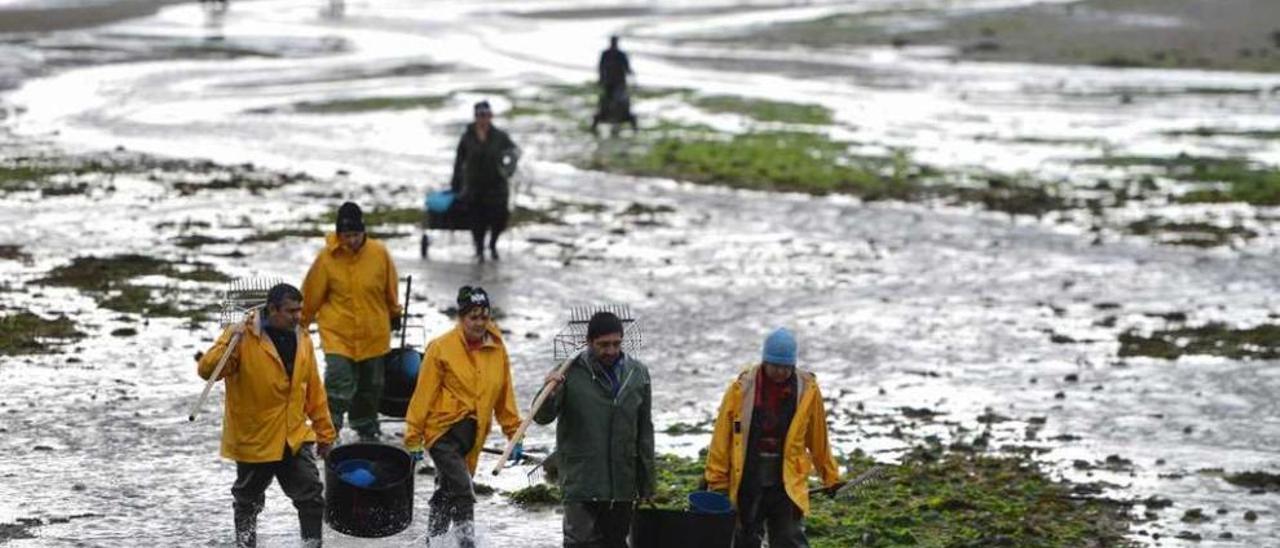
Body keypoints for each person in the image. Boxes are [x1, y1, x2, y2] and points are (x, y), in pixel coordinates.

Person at [197, 283, 336, 548]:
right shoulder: (242, 338)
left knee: (311, 495)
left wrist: (325, 433)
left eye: (299, 310)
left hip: (293, 435)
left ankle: (312, 544)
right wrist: (229, 337)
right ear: (272, 309)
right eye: (291, 311)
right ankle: (245, 545)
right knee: (248, 500)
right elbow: (207, 371)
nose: (298, 316)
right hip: (254, 437)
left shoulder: (303, 337)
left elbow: (314, 390)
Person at [403, 286, 524, 547]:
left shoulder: (497, 349)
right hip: (442, 433)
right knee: (463, 489)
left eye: (485, 317)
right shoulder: (441, 348)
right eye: (474, 317)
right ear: (461, 317)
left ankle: (433, 541)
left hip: (473, 436)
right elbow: (422, 395)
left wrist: (514, 434)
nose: (480, 323)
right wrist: (413, 436)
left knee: (447, 490)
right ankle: (466, 544)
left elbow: (505, 396)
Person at [703, 328, 842, 548]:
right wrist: (717, 482)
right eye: (775, 366)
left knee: (789, 537)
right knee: (744, 538)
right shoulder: (740, 389)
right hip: (748, 477)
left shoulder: (808, 391)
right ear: (764, 362)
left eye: (786, 367)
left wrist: (830, 476)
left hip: (787, 481)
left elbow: (818, 438)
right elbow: (721, 440)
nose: (780, 372)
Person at [533, 311, 654, 548]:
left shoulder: (638, 374)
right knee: (579, 542)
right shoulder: (569, 373)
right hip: (582, 481)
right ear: (589, 343)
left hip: (622, 483)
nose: (610, 351)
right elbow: (541, 416)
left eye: (616, 344)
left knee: (616, 542)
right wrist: (550, 391)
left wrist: (647, 484)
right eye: (603, 345)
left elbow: (644, 432)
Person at [301, 201, 402, 442]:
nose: (352, 240)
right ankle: (329, 428)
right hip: (338, 333)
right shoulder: (326, 259)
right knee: (338, 380)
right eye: (346, 235)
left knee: (372, 385)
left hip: (374, 332)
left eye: (356, 234)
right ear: (339, 234)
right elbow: (311, 295)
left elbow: (390, 289)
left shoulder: (379, 253)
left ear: (363, 231)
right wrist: (300, 323)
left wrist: (395, 313)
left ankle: (365, 426)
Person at [450, 101, 520, 262]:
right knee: (477, 218)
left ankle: (493, 244)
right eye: (480, 116)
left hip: (497, 184)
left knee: (499, 217)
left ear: (491, 116)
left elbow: (514, 151)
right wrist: (456, 183)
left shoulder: (500, 136)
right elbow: (459, 161)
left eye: (486, 115)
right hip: (474, 185)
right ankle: (479, 249)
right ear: (475, 117)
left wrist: (509, 169)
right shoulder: (467, 137)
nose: (483, 119)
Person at [592, 35, 637, 131]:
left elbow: (601, 67)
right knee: (607, 103)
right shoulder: (612, 54)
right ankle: (633, 127)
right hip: (612, 83)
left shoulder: (613, 54)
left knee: (614, 102)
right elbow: (601, 67)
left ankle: (633, 126)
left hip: (615, 82)